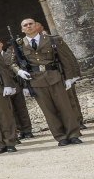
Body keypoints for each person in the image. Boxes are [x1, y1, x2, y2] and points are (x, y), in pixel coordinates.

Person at [17, 18, 83, 146]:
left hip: (55, 77)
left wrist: (69, 77)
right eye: (25, 25)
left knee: (65, 107)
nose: (29, 26)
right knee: (49, 111)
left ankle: (73, 134)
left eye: (31, 24)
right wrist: (19, 72)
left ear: (37, 26)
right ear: (22, 29)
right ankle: (60, 137)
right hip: (36, 81)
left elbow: (64, 58)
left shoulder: (52, 40)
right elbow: (14, 63)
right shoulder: (20, 45)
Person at [0, 37, 35, 140]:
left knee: (21, 109)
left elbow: (20, 69)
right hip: (2, 88)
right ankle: (18, 131)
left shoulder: (10, 55)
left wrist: (25, 86)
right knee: (10, 112)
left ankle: (27, 130)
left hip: (15, 85)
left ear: (1, 44)